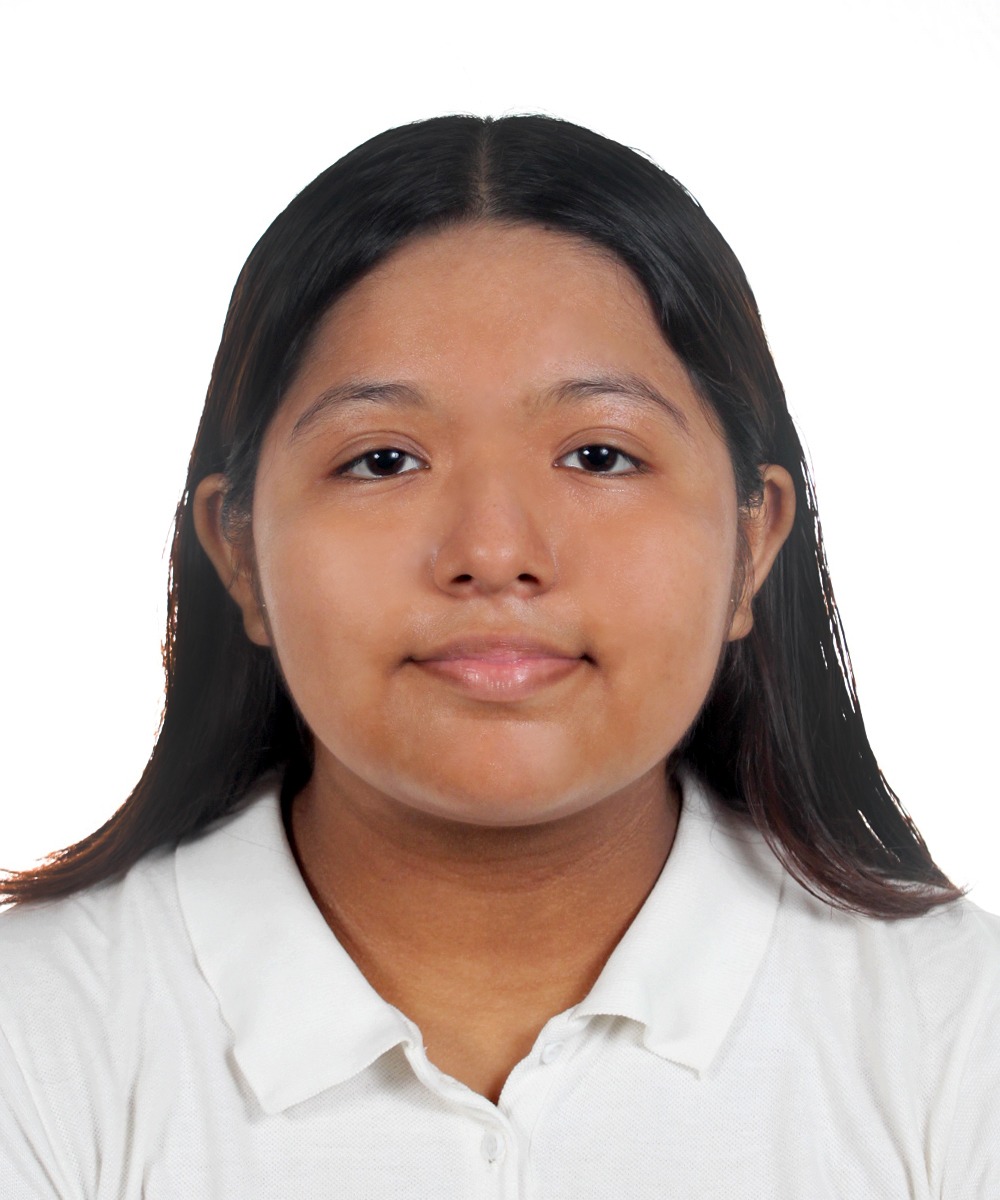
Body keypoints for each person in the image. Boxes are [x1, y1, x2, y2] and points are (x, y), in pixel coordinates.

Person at [1, 113, 997, 1197]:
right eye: (383, 460)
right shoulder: (37, 1038)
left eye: (599, 454)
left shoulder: (956, 1032)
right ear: (237, 552)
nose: (492, 552)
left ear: (753, 543)